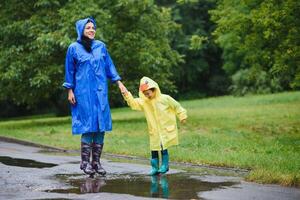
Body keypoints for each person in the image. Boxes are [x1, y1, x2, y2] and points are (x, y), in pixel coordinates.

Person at [63, 17, 126, 176]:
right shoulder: (74, 48)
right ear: (81, 30)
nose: (91, 30)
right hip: (83, 93)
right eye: (88, 28)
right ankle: (85, 163)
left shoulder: (101, 46)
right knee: (88, 125)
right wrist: (69, 90)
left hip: (100, 92)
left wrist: (119, 83)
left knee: (101, 125)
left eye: (93, 27)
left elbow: (109, 66)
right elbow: (69, 71)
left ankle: (96, 163)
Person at [121, 77, 187, 175]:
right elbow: (133, 103)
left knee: (163, 146)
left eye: (148, 93)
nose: (147, 96)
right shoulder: (144, 102)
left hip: (164, 129)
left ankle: (165, 165)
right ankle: (154, 167)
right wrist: (126, 94)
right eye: (144, 94)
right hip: (154, 131)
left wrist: (182, 116)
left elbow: (177, 106)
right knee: (154, 148)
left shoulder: (165, 98)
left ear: (154, 89)